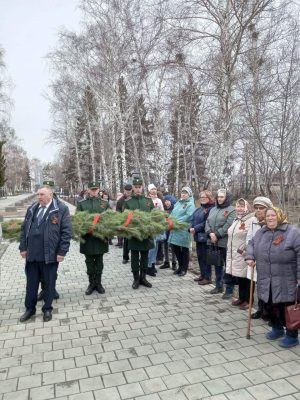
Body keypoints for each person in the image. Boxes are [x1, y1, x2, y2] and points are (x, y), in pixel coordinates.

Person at [246, 207, 300, 348]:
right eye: (268, 216)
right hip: (266, 277)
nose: (270, 218)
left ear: (280, 216)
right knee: (271, 304)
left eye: (273, 215)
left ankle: (292, 335)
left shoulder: (293, 232)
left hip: (286, 278)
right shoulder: (261, 232)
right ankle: (277, 329)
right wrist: (250, 256)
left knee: (288, 307)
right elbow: (251, 243)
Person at [19, 186, 72, 322]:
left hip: (50, 254)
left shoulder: (61, 209)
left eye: (42, 194)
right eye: (38, 194)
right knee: (31, 284)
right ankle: (30, 309)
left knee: (49, 284)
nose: (39, 197)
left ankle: (47, 309)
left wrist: (62, 252)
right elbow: (24, 229)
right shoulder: (33, 208)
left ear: (50, 194)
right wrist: (23, 247)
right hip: (32, 255)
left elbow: (66, 232)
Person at [76, 181, 110, 295]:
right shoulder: (82, 204)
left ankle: (99, 284)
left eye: (96, 189)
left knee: (99, 261)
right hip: (88, 238)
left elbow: (110, 218)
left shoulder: (105, 203)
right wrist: (86, 227)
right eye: (92, 189)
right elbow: (78, 220)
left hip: (100, 238)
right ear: (88, 190)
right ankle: (91, 284)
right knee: (89, 262)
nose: (94, 191)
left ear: (99, 190)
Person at [124, 177, 154, 289]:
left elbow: (153, 216)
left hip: (146, 235)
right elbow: (125, 218)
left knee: (145, 257)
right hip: (134, 235)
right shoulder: (128, 202)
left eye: (139, 187)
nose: (137, 189)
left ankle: (143, 278)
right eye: (135, 187)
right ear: (132, 188)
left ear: (142, 188)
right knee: (135, 257)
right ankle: (136, 279)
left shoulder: (148, 201)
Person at [246, 196, 273, 319]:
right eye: (256, 208)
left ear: (268, 209)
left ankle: (269, 312)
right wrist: (250, 254)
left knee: (269, 287)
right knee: (258, 285)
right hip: (256, 260)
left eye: (261, 208)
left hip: (270, 262)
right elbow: (250, 239)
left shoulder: (272, 222)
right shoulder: (253, 221)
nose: (258, 210)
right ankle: (261, 309)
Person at [205, 189, 235, 296]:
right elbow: (207, 222)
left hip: (224, 242)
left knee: (227, 267)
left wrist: (217, 235)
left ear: (227, 198)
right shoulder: (213, 209)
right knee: (217, 264)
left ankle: (229, 290)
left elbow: (229, 225)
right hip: (212, 241)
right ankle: (218, 286)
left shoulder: (232, 210)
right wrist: (210, 233)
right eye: (218, 197)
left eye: (222, 197)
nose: (219, 199)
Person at [226, 198, 254, 309]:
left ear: (247, 207)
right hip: (235, 253)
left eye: (242, 206)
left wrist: (247, 251)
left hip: (244, 253)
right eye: (238, 206)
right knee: (240, 277)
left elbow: (252, 237)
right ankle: (242, 298)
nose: (240, 208)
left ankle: (249, 300)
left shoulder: (251, 220)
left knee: (247, 278)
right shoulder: (236, 219)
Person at [37, 180, 61, 302]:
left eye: (50, 187)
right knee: (41, 271)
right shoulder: (41, 200)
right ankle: (44, 289)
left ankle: (52, 288)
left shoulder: (58, 203)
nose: (48, 188)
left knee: (52, 270)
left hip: (52, 244)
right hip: (40, 244)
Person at [168, 186, 196, 277]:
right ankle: (180, 267)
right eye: (182, 193)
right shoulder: (178, 203)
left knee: (184, 250)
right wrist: (169, 220)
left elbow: (188, 216)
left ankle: (184, 269)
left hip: (183, 229)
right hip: (175, 229)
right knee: (175, 248)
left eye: (185, 193)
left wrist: (176, 222)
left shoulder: (191, 204)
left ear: (189, 194)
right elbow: (172, 213)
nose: (183, 194)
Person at [189, 190, 215, 285]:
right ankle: (202, 274)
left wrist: (195, 228)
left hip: (206, 236)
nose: (202, 199)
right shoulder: (198, 209)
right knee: (200, 256)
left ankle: (208, 277)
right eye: (201, 197)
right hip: (198, 236)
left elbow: (206, 222)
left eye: (205, 197)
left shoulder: (212, 209)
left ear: (209, 198)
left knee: (206, 257)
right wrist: (190, 227)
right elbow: (192, 219)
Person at [147, 183, 164, 276]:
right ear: (149, 191)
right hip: (150, 226)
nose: (154, 191)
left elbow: (162, 212)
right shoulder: (147, 200)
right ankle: (148, 266)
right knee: (151, 247)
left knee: (156, 246)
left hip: (157, 225)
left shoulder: (159, 200)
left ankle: (152, 264)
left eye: (155, 189)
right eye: (152, 189)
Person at [159, 195, 177, 270]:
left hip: (172, 230)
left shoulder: (175, 209)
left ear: (171, 201)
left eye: (168, 201)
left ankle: (174, 263)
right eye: (165, 201)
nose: (166, 202)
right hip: (165, 230)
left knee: (172, 247)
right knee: (165, 245)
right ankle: (166, 262)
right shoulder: (164, 209)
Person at [116, 184, 133, 258]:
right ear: (124, 191)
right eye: (127, 191)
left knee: (133, 240)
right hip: (125, 222)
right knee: (126, 240)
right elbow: (118, 212)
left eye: (130, 191)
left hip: (134, 222)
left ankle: (134, 256)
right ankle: (125, 257)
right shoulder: (120, 200)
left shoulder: (134, 198)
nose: (128, 192)